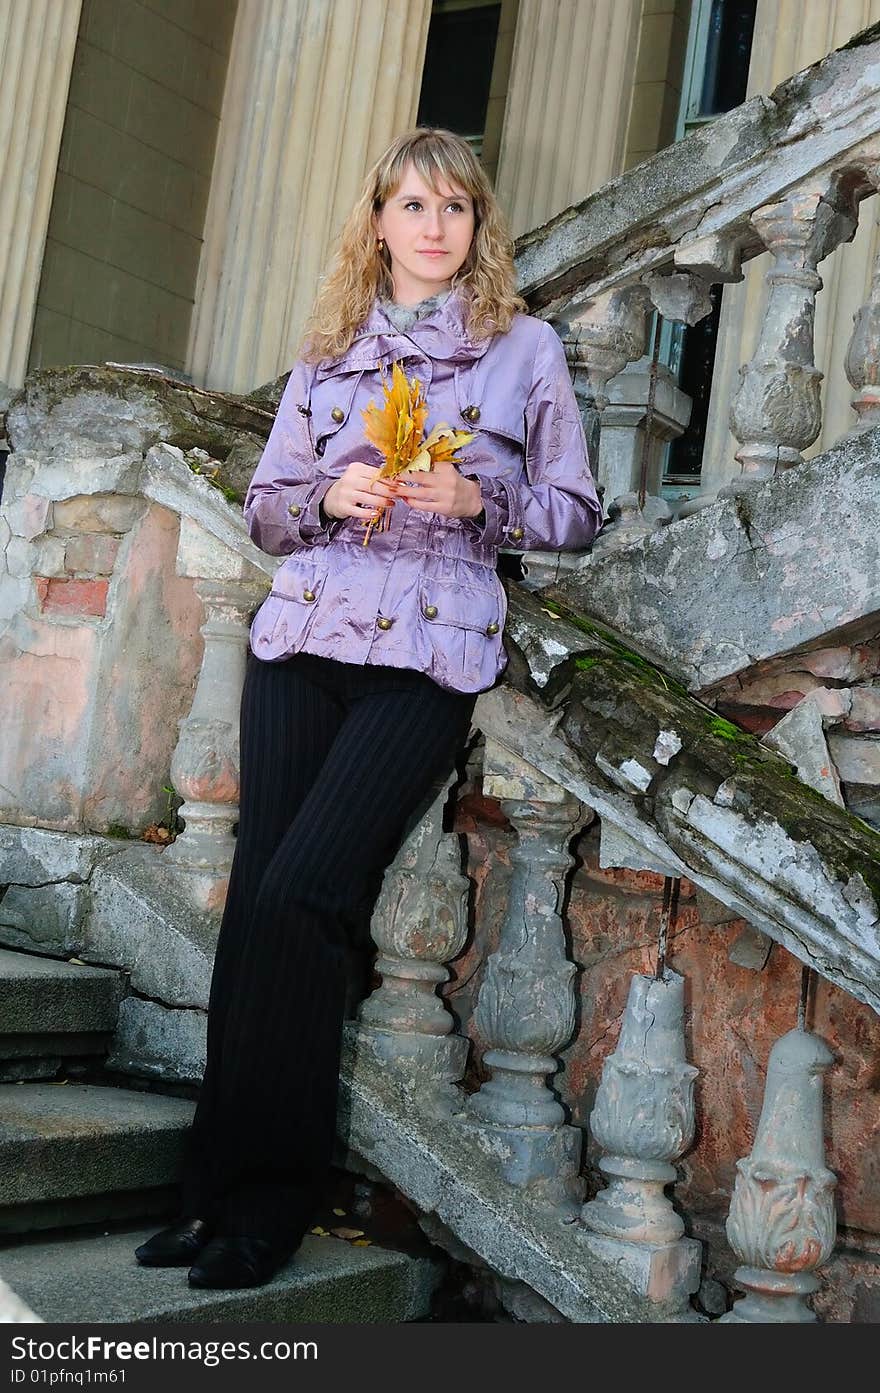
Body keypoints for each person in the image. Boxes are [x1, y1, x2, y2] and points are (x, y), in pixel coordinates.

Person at [134, 127, 602, 1290]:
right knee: (257, 908)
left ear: (476, 225)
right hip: (303, 639)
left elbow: (577, 513)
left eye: (454, 206)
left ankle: (274, 1200)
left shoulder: (523, 350)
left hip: (427, 661)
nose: (434, 225)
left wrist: (479, 495)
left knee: (306, 893)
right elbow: (268, 510)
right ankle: (210, 1191)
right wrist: (329, 492)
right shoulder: (328, 351)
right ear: (379, 223)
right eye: (411, 204)